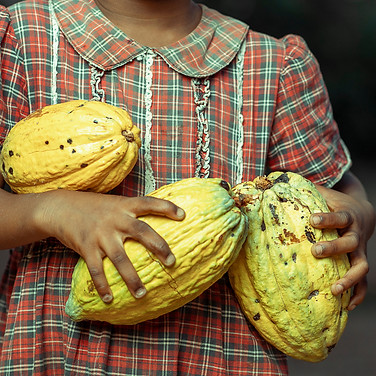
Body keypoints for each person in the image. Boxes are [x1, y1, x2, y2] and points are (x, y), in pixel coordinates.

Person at [0, 0, 374, 374]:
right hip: (59, 350)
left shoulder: (274, 65)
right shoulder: (23, 37)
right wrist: (51, 209)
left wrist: (357, 216)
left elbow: (337, 191)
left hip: (222, 355)